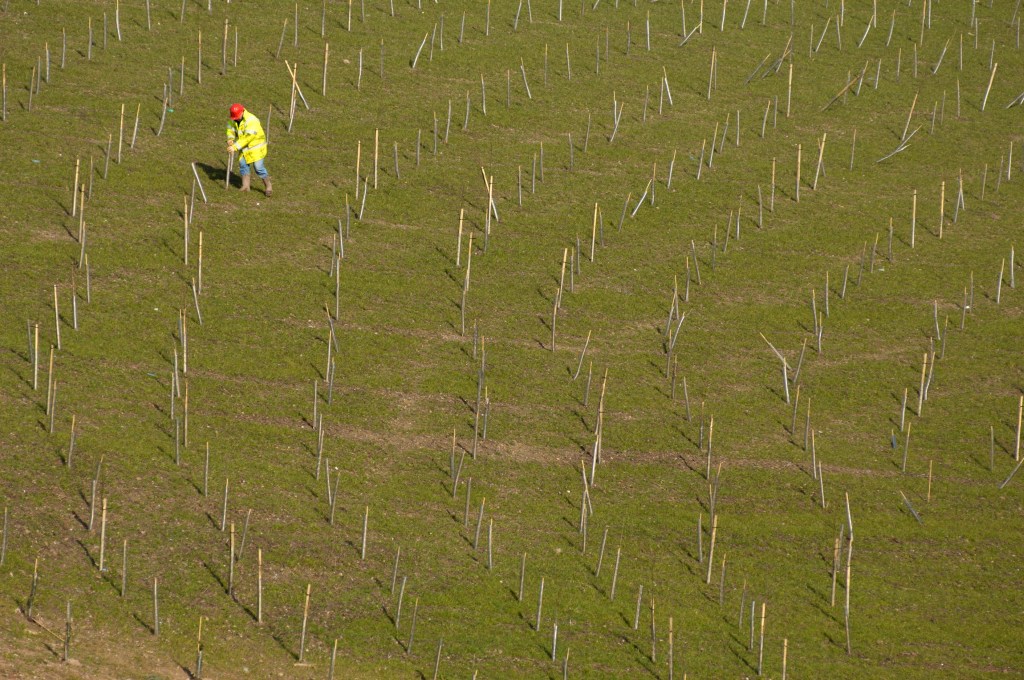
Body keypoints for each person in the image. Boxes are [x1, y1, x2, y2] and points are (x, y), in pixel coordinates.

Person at [226, 103, 272, 196]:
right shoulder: (233, 119)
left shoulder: (252, 120)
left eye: (236, 117)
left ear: (242, 112)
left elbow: (248, 138)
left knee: (258, 168)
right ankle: (245, 186)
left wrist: (234, 147)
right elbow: (230, 128)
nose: (235, 119)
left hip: (256, 148)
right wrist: (230, 138)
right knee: (243, 165)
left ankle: (268, 186)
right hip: (244, 149)